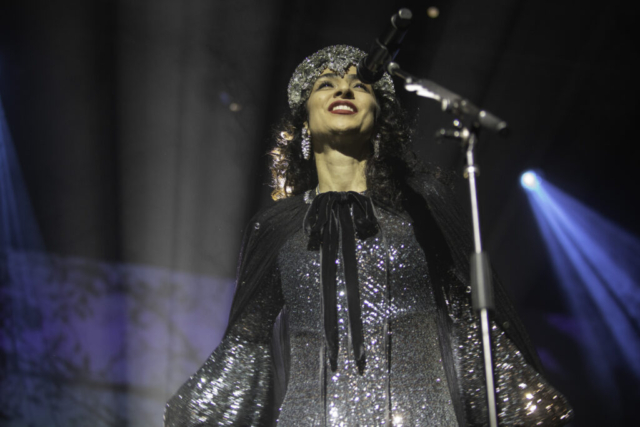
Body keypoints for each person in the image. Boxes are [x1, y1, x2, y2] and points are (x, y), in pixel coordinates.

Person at [164, 45, 572, 426]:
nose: (344, 89)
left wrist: (523, 407)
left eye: (360, 86)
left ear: (379, 118)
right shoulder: (278, 227)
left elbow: (472, 325)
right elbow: (245, 348)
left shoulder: (420, 208)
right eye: (326, 84)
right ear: (304, 120)